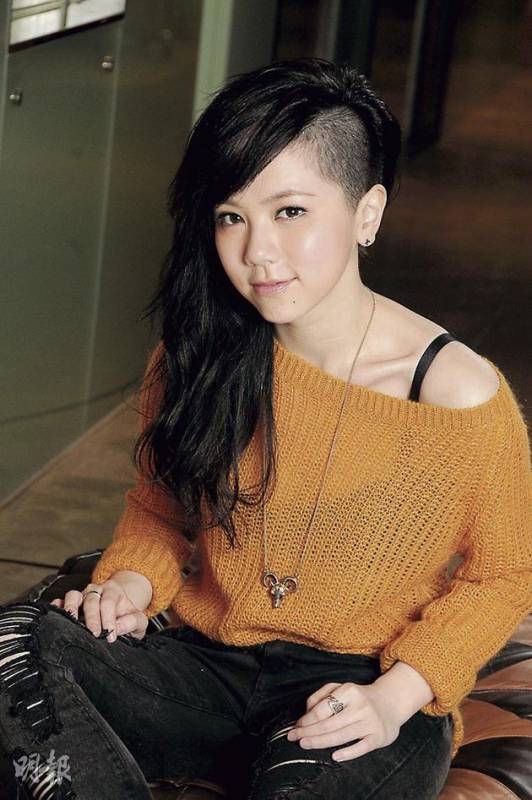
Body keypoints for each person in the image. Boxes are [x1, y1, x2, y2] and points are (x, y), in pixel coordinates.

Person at [0, 57, 530, 800]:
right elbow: (160, 510)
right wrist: (129, 583)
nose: (257, 252)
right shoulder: (198, 355)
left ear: (367, 213)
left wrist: (396, 696)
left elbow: (504, 575)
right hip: (206, 668)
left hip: (357, 690)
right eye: (231, 216)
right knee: (15, 644)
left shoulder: (457, 395)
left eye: (290, 212)